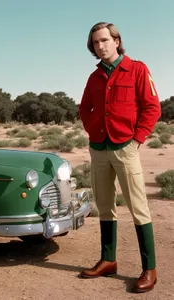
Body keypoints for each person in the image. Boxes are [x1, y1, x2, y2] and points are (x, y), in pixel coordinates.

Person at [79, 22, 161, 293]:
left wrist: (137, 139)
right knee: (104, 205)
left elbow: (152, 107)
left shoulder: (137, 69)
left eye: (104, 40)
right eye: (95, 43)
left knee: (138, 208)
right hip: (99, 147)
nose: (100, 46)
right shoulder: (94, 77)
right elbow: (85, 108)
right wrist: (92, 129)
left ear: (116, 40)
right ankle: (108, 260)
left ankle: (149, 269)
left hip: (126, 146)